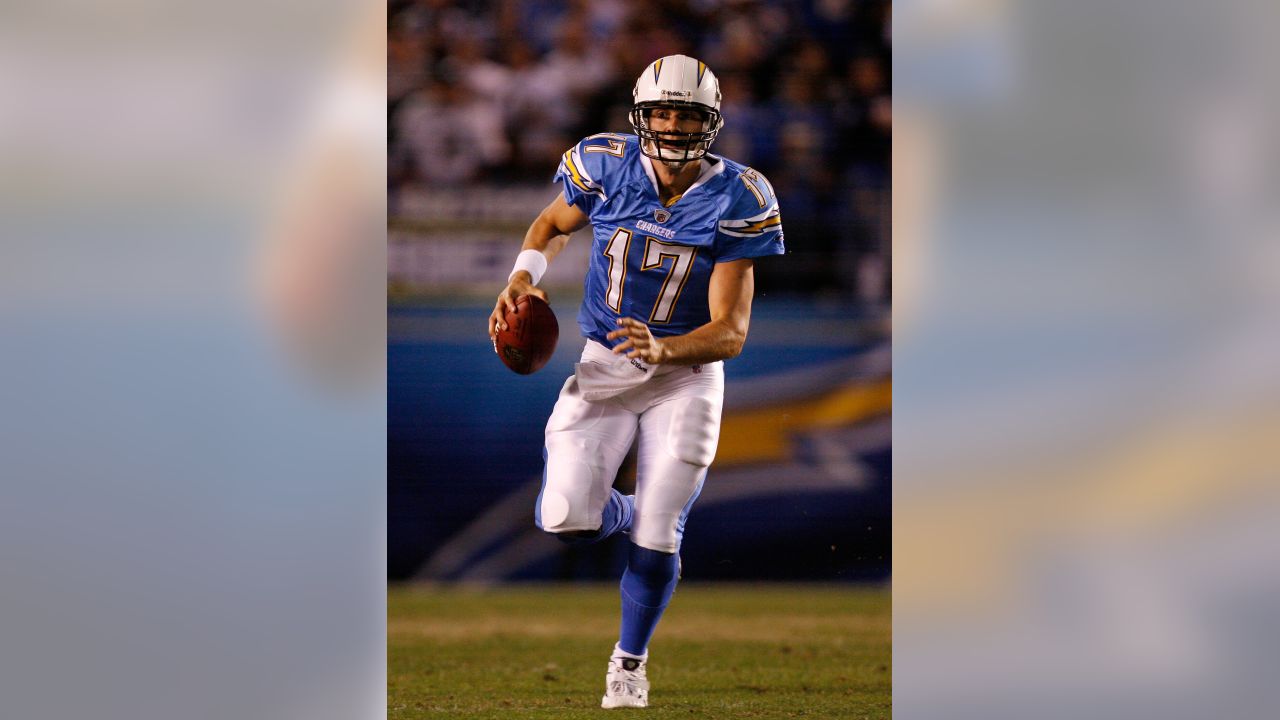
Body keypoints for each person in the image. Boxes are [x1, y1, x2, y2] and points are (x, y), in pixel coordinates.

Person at [487, 54, 784, 709]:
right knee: (565, 516)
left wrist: (668, 346)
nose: (673, 124)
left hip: (687, 375)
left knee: (660, 533)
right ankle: (626, 512)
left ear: (712, 122)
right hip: (606, 365)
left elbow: (731, 333)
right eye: (662, 112)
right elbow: (551, 224)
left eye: (687, 114)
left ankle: (628, 664)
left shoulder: (740, 195)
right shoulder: (602, 162)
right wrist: (521, 277)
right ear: (641, 114)